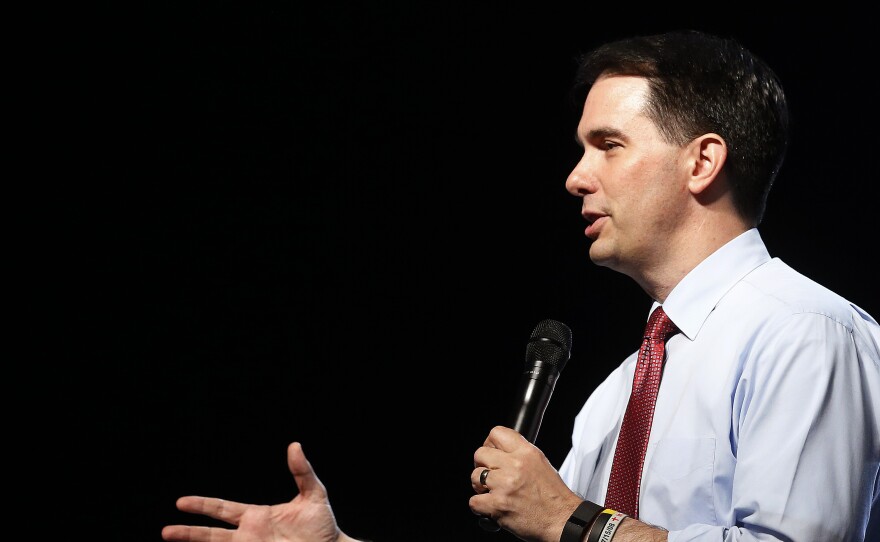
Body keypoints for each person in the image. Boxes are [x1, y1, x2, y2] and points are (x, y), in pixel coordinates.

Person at [161, 30, 880, 542]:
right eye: (580, 150)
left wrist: (574, 520)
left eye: (608, 145)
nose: (575, 177)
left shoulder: (806, 332)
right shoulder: (618, 393)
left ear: (702, 163)